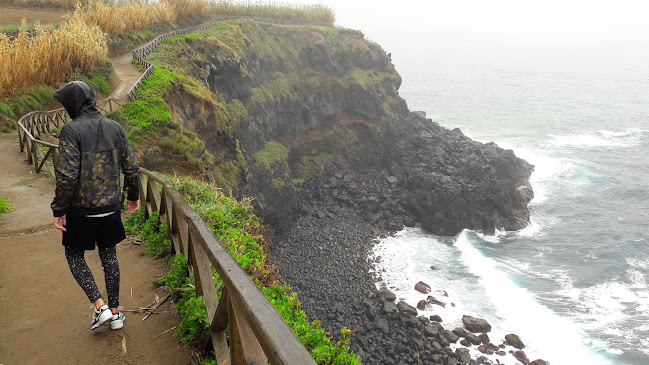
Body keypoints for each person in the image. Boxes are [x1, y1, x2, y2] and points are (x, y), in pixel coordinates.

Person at [51, 81, 140, 330]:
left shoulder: (71, 130)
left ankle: (100, 307)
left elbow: (67, 176)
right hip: (110, 208)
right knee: (109, 256)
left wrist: (59, 209)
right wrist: (132, 196)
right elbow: (131, 167)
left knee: (74, 256)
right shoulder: (116, 128)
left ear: (73, 103)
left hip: (80, 210)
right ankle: (115, 313)